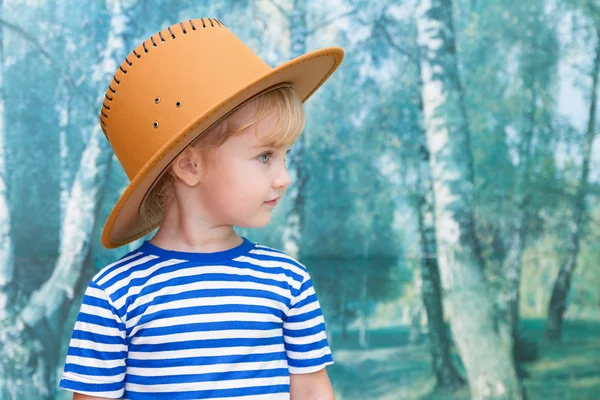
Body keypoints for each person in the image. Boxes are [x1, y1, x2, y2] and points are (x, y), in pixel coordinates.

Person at [58, 17, 344, 400]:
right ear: (190, 166)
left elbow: (311, 391)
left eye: (285, 156)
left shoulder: (287, 281)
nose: (284, 177)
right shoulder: (116, 294)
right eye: (264, 157)